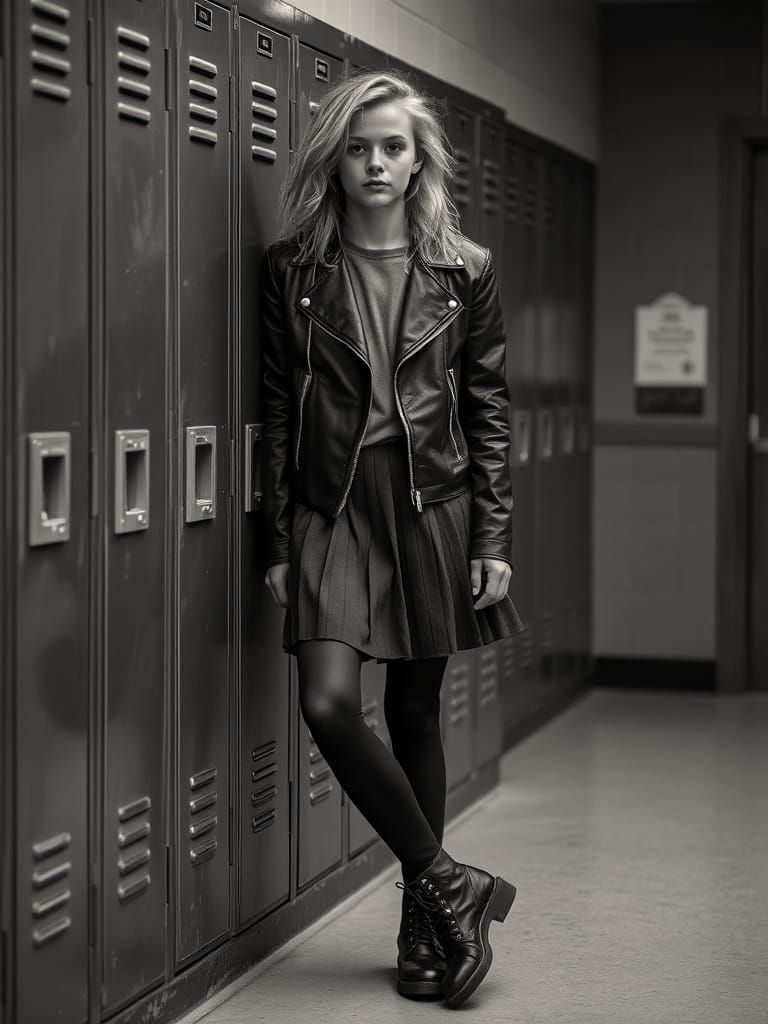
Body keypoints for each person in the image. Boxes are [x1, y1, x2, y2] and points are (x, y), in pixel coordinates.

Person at [260, 67, 525, 1009]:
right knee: (329, 703)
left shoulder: (466, 270)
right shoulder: (293, 269)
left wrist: (492, 533)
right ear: (337, 159)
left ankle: (424, 931)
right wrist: (278, 541)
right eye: (360, 147)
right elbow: (275, 413)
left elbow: (488, 407)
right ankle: (452, 883)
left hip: (431, 505)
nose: (376, 163)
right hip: (332, 505)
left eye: (393, 148)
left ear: (420, 162)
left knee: (415, 713)